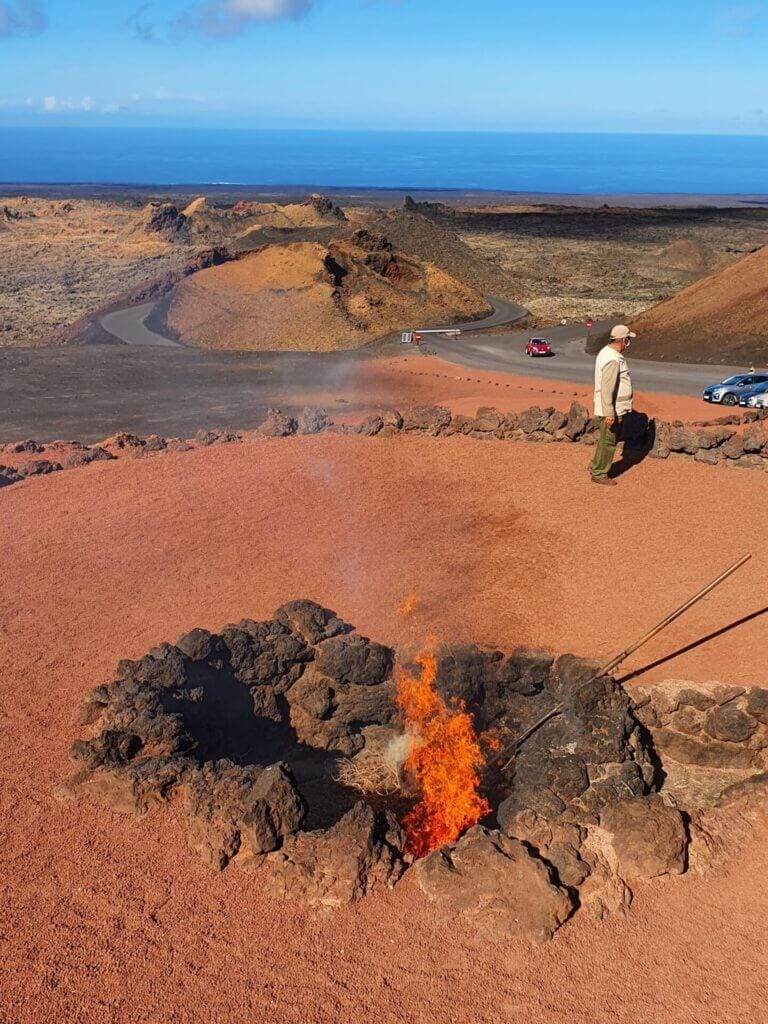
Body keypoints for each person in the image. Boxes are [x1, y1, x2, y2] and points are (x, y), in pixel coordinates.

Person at [589, 324, 636, 486]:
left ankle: (596, 466)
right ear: (622, 340)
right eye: (628, 339)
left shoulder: (606, 352)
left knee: (605, 439)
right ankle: (600, 473)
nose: (628, 343)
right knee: (609, 441)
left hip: (610, 406)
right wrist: (610, 412)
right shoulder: (613, 359)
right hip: (613, 408)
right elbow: (608, 387)